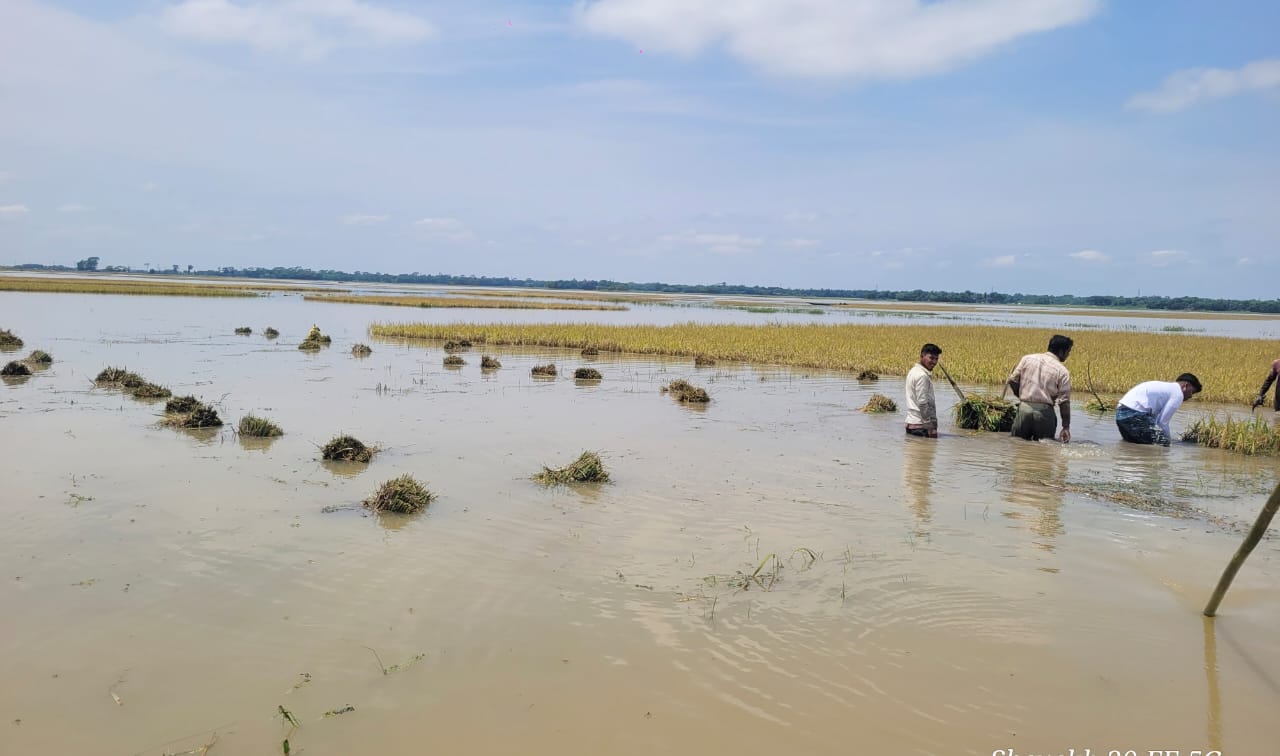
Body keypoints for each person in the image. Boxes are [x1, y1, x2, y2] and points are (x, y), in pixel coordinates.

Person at [1006, 334, 1073, 443]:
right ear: (1061, 351)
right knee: (1044, 449)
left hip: (1024, 409)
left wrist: (1020, 395)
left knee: (1017, 445)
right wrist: (1066, 427)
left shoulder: (1027, 359)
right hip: (1044, 413)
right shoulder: (1062, 371)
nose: (1068, 355)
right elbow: (1064, 402)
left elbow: (1012, 380)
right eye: (1068, 352)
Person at [1115, 373, 1203, 446]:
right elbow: (1162, 422)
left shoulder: (1166, 388)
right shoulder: (1178, 394)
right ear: (1186, 386)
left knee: (1132, 445)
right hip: (1135, 415)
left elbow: (1155, 420)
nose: (1191, 396)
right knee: (1162, 444)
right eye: (1192, 392)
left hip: (1120, 414)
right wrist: (1168, 441)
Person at [904, 343, 942, 438]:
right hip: (921, 427)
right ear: (922, 356)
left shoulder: (913, 371)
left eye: (936, 359)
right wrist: (930, 427)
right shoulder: (922, 376)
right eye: (931, 358)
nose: (934, 362)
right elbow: (923, 403)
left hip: (912, 424)